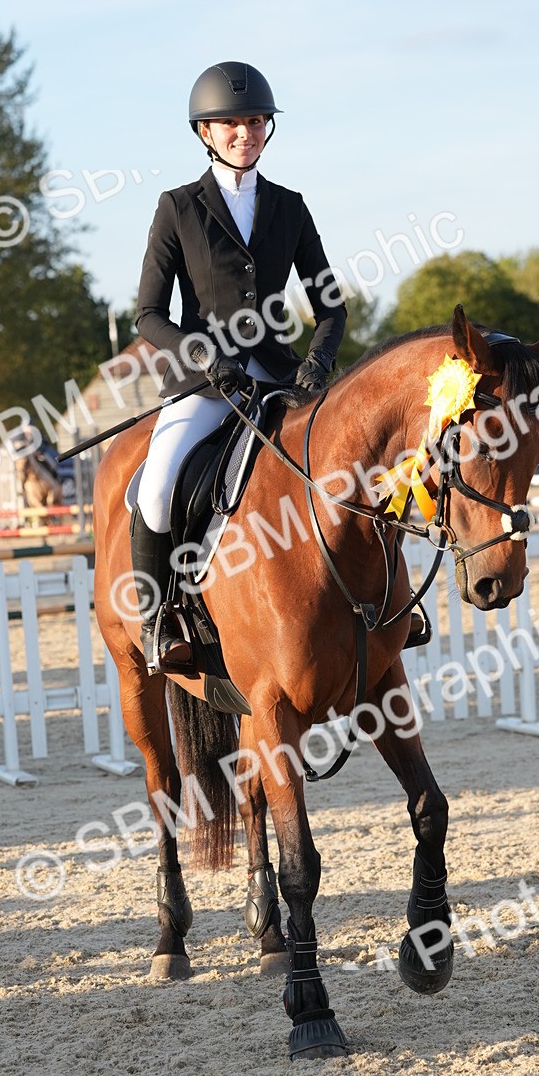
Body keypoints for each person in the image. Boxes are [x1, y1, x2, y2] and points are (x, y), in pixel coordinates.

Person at [131, 60, 347, 673]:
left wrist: (318, 363)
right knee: (158, 482)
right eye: (231, 124)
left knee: (357, 462)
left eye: (254, 122)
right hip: (207, 385)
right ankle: (160, 621)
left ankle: (381, 602)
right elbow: (148, 315)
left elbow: (329, 304)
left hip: (280, 381)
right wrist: (205, 357)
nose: (244, 133)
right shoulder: (177, 208)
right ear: (205, 131)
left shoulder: (290, 207)